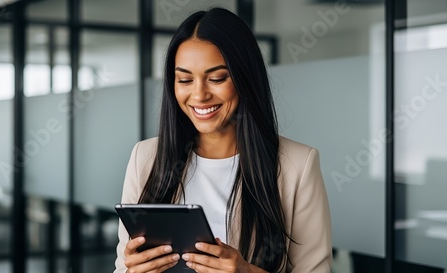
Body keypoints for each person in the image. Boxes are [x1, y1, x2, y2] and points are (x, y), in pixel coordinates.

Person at [114, 7, 331, 273]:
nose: (199, 94)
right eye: (184, 79)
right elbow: (122, 266)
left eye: (216, 78)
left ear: (245, 78)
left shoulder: (297, 164)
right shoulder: (146, 157)